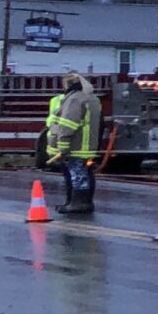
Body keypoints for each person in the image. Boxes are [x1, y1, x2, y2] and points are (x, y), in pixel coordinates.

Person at [46, 73, 102, 216]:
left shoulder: (74, 99)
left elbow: (68, 124)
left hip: (76, 146)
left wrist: (63, 146)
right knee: (85, 173)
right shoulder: (92, 99)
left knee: (77, 175)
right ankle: (84, 202)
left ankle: (78, 204)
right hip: (88, 146)